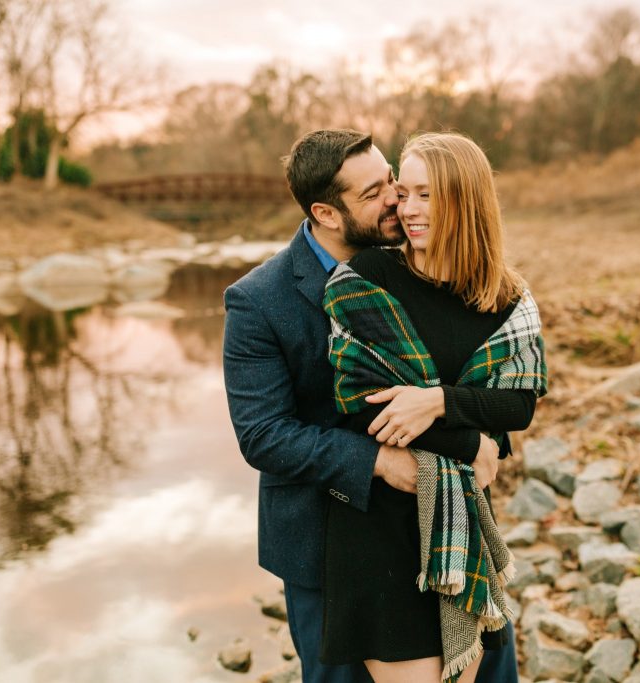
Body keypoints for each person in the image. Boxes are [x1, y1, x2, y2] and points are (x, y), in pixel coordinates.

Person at [223, 129, 521, 683]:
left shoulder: (426, 260)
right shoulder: (258, 301)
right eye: (374, 193)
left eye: (392, 180)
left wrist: (483, 440)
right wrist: (382, 462)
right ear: (325, 213)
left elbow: (477, 370)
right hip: (326, 545)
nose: (396, 200)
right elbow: (263, 434)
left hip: (451, 521)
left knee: (489, 670)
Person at [320, 132, 547, 683]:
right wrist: (469, 442)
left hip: (462, 525)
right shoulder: (367, 279)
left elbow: (517, 406)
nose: (408, 209)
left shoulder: (505, 297)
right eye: (404, 193)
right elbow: (363, 405)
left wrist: (437, 401)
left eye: (427, 195)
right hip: (380, 528)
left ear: (466, 201)